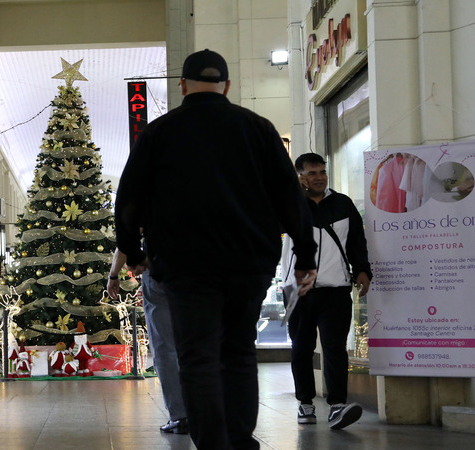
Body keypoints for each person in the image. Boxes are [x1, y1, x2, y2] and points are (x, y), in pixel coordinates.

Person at [114, 49, 318, 450]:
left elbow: (129, 198)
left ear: (183, 85)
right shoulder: (257, 129)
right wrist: (306, 256)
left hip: (184, 265)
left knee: (197, 356)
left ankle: (211, 444)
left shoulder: (159, 132)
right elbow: (289, 198)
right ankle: (241, 441)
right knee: (239, 350)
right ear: (226, 85)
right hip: (247, 263)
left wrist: (132, 252)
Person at [282, 153, 372, 430]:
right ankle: (305, 403)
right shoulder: (288, 203)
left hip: (336, 288)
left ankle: (337, 406)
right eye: (311, 173)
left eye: (322, 171)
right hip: (299, 290)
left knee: (335, 348)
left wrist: (362, 269)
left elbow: (357, 239)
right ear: (300, 177)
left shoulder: (342, 203)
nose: (319, 177)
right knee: (302, 348)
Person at [108, 248, 187, 434]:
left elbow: (126, 239)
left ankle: (180, 416)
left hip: (159, 270)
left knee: (164, 346)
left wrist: (113, 275)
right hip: (197, 270)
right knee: (198, 344)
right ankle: (206, 412)